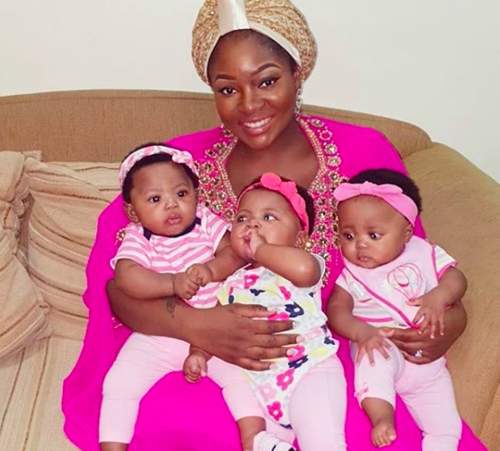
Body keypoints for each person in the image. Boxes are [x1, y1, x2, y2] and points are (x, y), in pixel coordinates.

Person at [62, 0, 486, 450]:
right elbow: (116, 289)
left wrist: (452, 321)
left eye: (267, 81)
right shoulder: (180, 169)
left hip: (329, 356)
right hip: (209, 362)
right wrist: (198, 327)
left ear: (297, 74)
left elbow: (418, 264)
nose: (249, 105)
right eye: (228, 89)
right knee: (183, 428)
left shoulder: (363, 152)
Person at [100, 143, 295, 451]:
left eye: (181, 194)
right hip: (159, 332)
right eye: (155, 199)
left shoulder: (205, 221)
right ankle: (113, 446)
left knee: (244, 385)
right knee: (119, 383)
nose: (171, 205)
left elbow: (234, 252)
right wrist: (172, 283)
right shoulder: (139, 237)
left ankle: (256, 440)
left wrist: (212, 269)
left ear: (196, 195)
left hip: (220, 332)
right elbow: (126, 278)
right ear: (133, 211)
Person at [184, 172, 346, 450]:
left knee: (323, 442)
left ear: (299, 240)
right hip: (263, 387)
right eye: (242, 218)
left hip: (310, 370)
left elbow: (305, 270)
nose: (253, 225)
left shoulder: (301, 265)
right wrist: (198, 352)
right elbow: (215, 326)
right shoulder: (232, 281)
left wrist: (261, 250)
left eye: (269, 217)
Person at [328, 168, 465, 450]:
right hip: (381, 344)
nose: (360, 244)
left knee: (447, 426)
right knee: (372, 362)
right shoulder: (352, 275)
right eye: (348, 235)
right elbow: (337, 311)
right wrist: (361, 332)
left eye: (374, 235)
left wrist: (439, 296)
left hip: (428, 362)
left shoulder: (424, 253)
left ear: (406, 234)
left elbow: (457, 279)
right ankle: (382, 417)